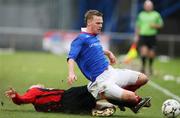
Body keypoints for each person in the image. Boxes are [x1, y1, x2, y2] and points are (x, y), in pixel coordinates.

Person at [67, 9, 151, 114]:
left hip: (112, 72)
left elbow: (95, 50)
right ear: (89, 22)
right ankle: (130, 101)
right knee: (132, 97)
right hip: (102, 81)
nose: (100, 25)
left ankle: (120, 100)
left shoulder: (94, 37)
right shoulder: (80, 39)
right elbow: (71, 57)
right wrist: (71, 73)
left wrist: (108, 53)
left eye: (101, 23)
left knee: (143, 78)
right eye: (98, 23)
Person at [5, 84, 116, 117]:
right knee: (93, 89)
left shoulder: (38, 107)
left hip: (66, 108)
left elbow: (21, 101)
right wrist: (16, 96)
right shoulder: (33, 91)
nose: (40, 84)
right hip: (67, 96)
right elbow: (23, 99)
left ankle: (104, 107)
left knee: (89, 103)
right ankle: (117, 98)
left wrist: (15, 97)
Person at [135, 0, 163, 75]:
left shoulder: (156, 14)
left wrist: (155, 25)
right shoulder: (141, 14)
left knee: (151, 54)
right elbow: (138, 26)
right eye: (146, 5)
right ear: (144, 6)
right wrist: (137, 36)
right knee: (143, 52)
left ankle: (150, 67)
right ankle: (143, 67)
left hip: (152, 36)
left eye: (149, 6)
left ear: (152, 6)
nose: (148, 7)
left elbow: (161, 25)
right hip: (143, 36)